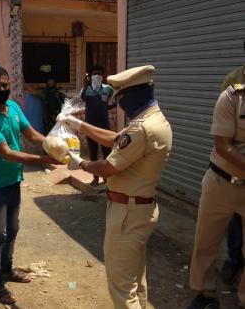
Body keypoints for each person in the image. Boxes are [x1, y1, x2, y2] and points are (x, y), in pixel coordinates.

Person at [59, 65, 172, 309]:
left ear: (131, 96)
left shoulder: (141, 128)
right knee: (135, 280)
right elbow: (114, 139)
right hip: (140, 208)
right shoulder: (153, 119)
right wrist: (79, 125)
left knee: (121, 287)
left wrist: (81, 164)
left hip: (128, 214)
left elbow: (108, 167)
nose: (119, 104)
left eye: (119, 98)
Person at [0, 64, 57, 304]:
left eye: (5, 85)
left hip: (12, 182)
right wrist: (43, 159)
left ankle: (7, 270)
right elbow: (7, 153)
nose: (2, 89)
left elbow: (31, 134)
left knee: (13, 229)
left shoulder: (13, 107)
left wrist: (55, 144)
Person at [187, 83, 245, 309]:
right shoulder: (232, 98)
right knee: (206, 241)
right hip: (221, 182)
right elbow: (222, 146)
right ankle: (205, 295)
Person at [218, 64, 245, 285]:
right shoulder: (234, 79)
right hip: (237, 163)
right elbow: (223, 128)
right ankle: (234, 259)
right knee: (236, 216)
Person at [80, 64, 116, 187]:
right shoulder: (86, 89)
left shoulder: (108, 89)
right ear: (90, 76)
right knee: (93, 154)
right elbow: (82, 98)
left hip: (104, 126)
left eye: (99, 73)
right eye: (94, 73)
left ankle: (107, 178)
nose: (97, 76)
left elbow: (114, 99)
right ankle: (95, 178)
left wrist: (108, 107)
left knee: (107, 153)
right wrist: (85, 84)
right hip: (90, 127)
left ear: (103, 75)